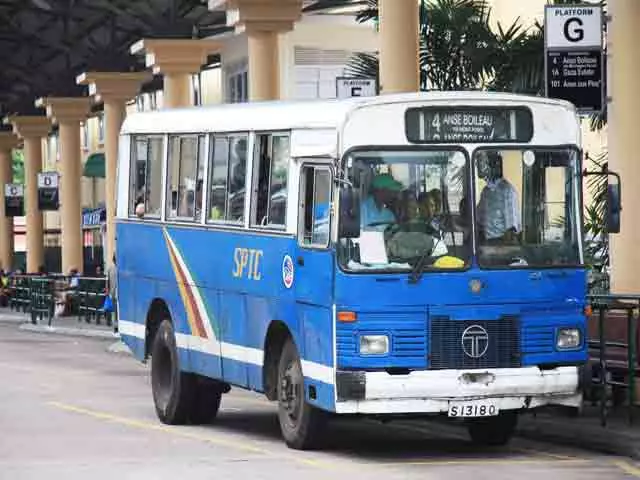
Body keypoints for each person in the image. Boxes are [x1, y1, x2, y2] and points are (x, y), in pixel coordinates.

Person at [476, 151, 521, 243]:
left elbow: (511, 229)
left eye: (482, 163)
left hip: (500, 243)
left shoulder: (507, 191)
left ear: (493, 166)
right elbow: (478, 218)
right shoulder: (486, 191)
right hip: (485, 243)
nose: (478, 167)